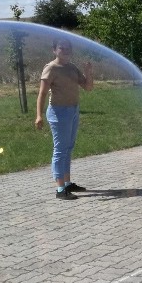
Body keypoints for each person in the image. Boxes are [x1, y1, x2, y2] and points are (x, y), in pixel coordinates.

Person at [35, 38, 94, 200]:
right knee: (60, 150)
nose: (66, 50)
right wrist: (39, 115)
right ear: (54, 50)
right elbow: (42, 93)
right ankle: (60, 189)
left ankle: (67, 184)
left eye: (68, 48)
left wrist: (88, 72)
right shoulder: (51, 68)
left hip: (73, 110)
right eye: (62, 48)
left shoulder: (72, 67)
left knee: (68, 148)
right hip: (58, 113)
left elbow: (88, 88)